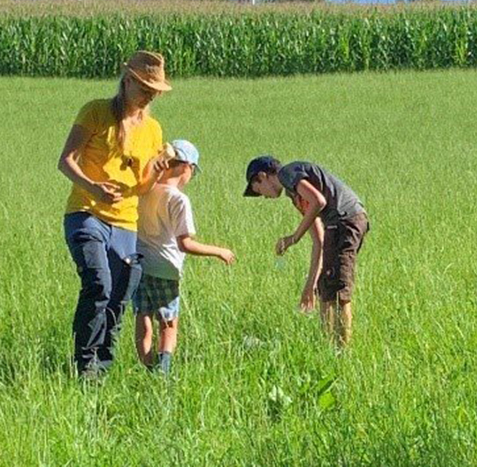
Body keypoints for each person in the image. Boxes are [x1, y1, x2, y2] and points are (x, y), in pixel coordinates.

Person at [58, 50, 171, 378]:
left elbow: (142, 187)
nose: (149, 96)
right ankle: (83, 363)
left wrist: (157, 172)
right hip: (86, 213)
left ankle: (100, 371)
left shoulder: (153, 130)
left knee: (118, 299)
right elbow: (66, 160)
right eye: (144, 88)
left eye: (155, 92)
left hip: (125, 221)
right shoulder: (95, 112)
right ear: (127, 80)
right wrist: (93, 187)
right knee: (98, 283)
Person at [244, 156, 369, 347]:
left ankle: (343, 352)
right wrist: (309, 285)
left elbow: (319, 201)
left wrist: (293, 238)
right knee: (325, 289)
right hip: (337, 226)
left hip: (345, 220)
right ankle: (328, 345)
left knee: (338, 291)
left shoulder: (287, 173)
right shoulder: (295, 195)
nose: (264, 196)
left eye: (258, 189)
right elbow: (318, 241)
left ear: (262, 176)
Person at [134, 139, 235, 374]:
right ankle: (164, 369)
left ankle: (148, 365)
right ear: (186, 167)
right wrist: (219, 251)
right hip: (166, 269)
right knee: (168, 323)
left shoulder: (144, 190)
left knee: (143, 317)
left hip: (139, 265)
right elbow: (185, 244)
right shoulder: (179, 200)